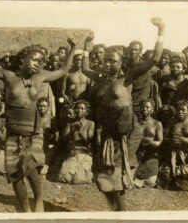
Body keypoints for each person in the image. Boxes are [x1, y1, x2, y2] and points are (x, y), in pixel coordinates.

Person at [0, 30, 76, 212]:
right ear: (23, 59)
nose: (39, 64)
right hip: (13, 133)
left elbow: (64, 70)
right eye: (35, 59)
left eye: (41, 61)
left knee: (32, 170)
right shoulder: (8, 76)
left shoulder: (40, 77)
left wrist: (73, 48)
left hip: (33, 132)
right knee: (15, 175)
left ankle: (39, 202)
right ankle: (26, 210)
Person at [81, 17, 164, 211]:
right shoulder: (101, 78)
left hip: (126, 131)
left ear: (121, 62)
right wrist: (86, 45)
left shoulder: (128, 77)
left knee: (112, 173)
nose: (108, 63)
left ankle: (122, 213)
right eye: (106, 60)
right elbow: (85, 68)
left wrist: (161, 30)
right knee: (104, 178)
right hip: (108, 132)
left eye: (113, 61)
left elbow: (155, 59)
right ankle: (117, 210)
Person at [163, 100, 188, 190]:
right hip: (173, 154)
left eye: (183, 110)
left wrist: (184, 140)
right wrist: (171, 140)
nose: (180, 112)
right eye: (178, 110)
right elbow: (164, 138)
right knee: (165, 175)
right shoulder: (172, 122)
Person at [58, 100, 95, 184]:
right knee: (63, 176)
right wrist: (73, 129)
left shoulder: (90, 124)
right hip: (72, 152)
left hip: (84, 152)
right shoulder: (70, 122)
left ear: (87, 112)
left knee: (81, 179)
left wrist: (81, 131)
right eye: (77, 108)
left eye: (82, 108)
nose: (79, 110)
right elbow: (64, 138)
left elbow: (89, 140)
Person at [134, 99, 163, 188]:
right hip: (135, 153)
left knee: (150, 182)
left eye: (147, 107)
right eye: (142, 107)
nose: (144, 109)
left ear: (152, 109)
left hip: (150, 155)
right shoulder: (135, 122)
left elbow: (159, 142)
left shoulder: (156, 123)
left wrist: (151, 142)